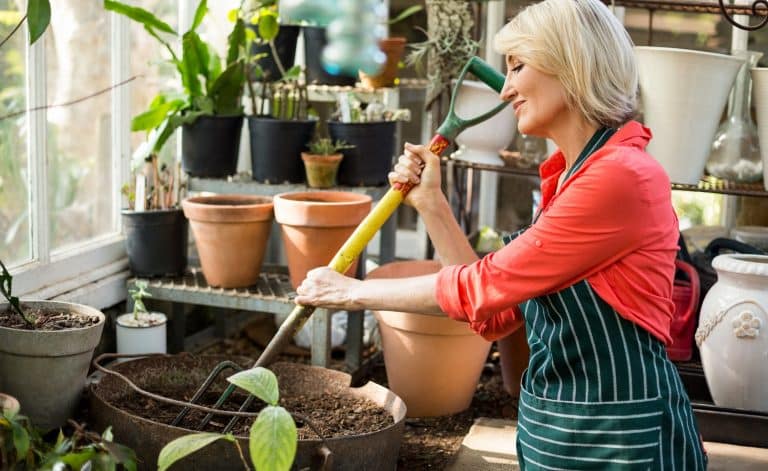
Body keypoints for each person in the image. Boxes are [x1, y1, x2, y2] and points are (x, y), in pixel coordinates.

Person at [296, 0, 707, 468]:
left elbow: (483, 287)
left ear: (570, 63)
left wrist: (353, 292)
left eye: (517, 66)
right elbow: (495, 313)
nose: (506, 88)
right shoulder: (571, 176)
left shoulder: (621, 177)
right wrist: (431, 204)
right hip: (558, 429)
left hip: (619, 439)